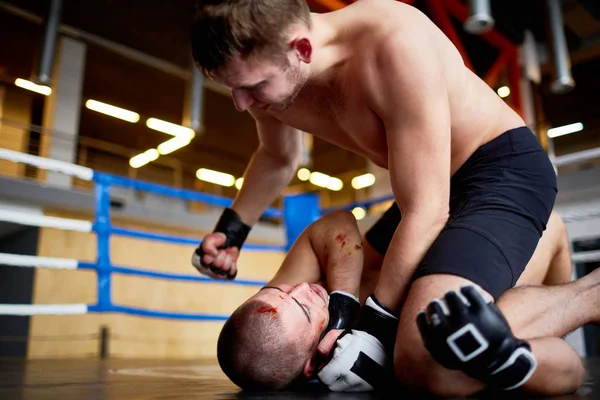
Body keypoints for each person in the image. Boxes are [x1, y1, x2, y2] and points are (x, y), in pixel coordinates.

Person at [189, 0, 560, 394]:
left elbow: (428, 210)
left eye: (251, 87)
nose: (241, 103)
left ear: (302, 49)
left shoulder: (393, 45)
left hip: (496, 170)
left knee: (418, 356)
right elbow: (279, 157)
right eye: (233, 87)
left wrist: (370, 330)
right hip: (424, 190)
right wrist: (233, 229)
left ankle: (588, 294)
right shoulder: (268, 80)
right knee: (355, 281)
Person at [216, 208, 595, 396]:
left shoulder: (283, 308)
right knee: (480, 325)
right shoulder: (393, 360)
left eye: (280, 290)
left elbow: (337, 224)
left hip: (440, 217)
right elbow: (571, 370)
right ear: (317, 360)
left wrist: (345, 302)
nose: (301, 288)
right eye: (301, 306)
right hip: (498, 246)